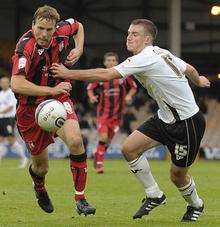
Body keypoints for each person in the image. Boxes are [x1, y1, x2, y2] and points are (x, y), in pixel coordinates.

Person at [51, 19, 211, 222]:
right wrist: (199, 80)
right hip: (165, 117)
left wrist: (67, 74)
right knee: (129, 149)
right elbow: (188, 69)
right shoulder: (160, 52)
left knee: (177, 176)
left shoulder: (145, 57)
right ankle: (154, 194)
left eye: (135, 33)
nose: (129, 36)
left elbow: (107, 74)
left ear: (147, 39)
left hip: (187, 123)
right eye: (128, 32)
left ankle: (196, 204)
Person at [11, 5, 95, 216]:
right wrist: (51, 88)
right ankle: (39, 187)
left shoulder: (63, 30)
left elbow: (79, 26)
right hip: (30, 109)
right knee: (41, 167)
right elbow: (16, 83)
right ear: (33, 25)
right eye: (40, 28)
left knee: (76, 140)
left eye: (49, 30)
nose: (44, 34)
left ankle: (81, 198)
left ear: (55, 28)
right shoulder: (25, 47)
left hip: (58, 97)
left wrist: (79, 48)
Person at [87, 52, 137, 173]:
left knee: (107, 142)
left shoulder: (123, 76)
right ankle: (99, 165)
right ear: (104, 63)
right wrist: (92, 97)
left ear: (117, 62)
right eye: (108, 60)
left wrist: (129, 96)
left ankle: (97, 155)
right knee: (103, 138)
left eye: (113, 60)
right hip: (103, 114)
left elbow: (134, 87)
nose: (111, 62)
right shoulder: (101, 76)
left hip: (118, 115)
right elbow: (89, 88)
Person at [0, 76, 28, 168]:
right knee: (1, 139)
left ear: (9, 83)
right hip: (1, 118)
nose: (3, 84)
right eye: (2, 82)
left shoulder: (11, 93)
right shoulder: (1, 94)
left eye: (5, 82)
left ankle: (23, 158)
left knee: (11, 139)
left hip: (9, 118)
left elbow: (11, 107)